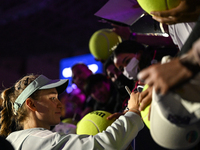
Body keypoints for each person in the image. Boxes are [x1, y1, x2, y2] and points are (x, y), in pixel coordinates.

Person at [0, 74, 144, 150]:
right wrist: (134, 111)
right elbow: (105, 145)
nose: (59, 103)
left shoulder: (13, 140)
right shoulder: (41, 140)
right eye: (52, 98)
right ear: (31, 104)